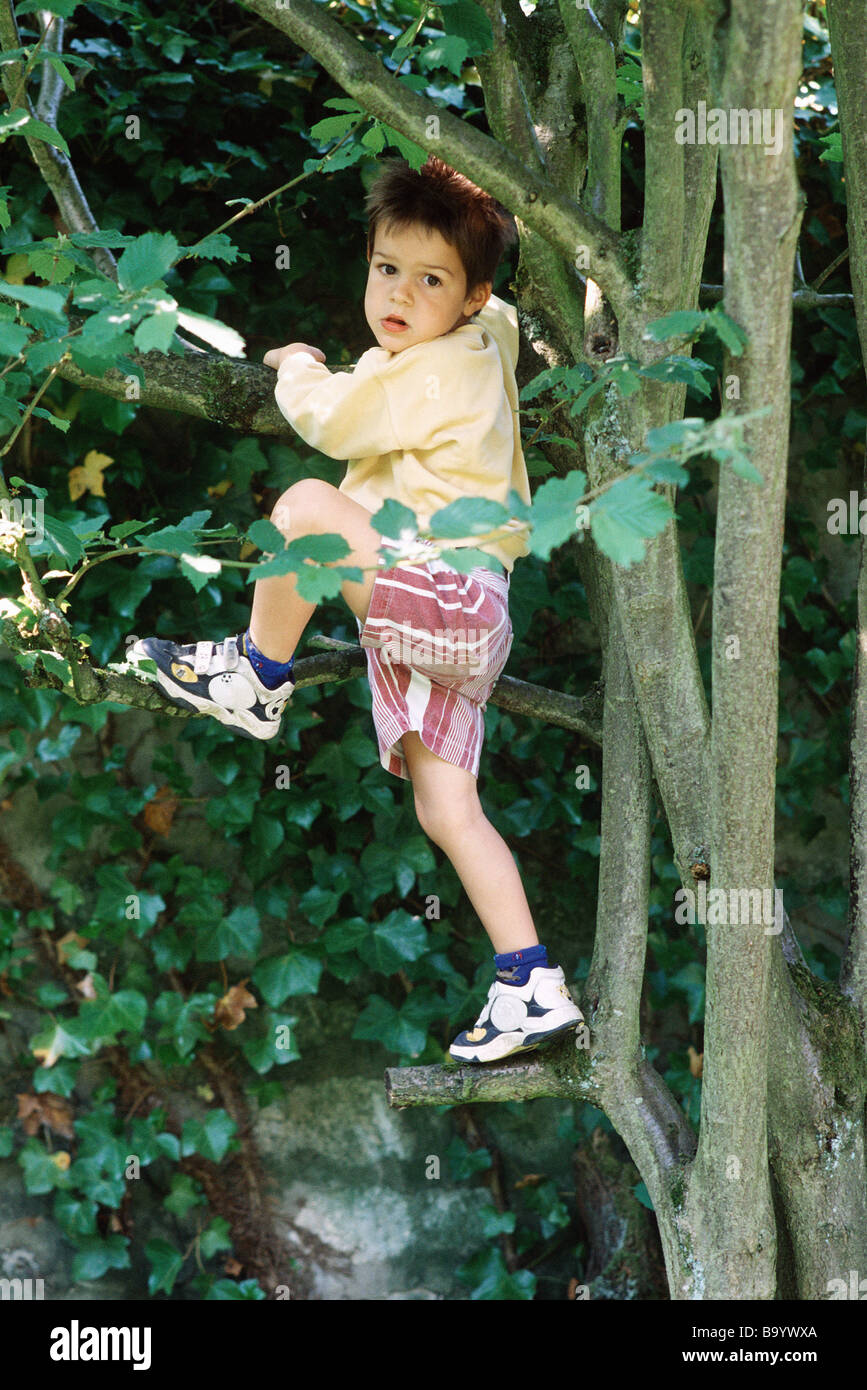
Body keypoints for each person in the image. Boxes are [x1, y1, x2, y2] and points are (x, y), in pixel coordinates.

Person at [130, 155, 583, 1063]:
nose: (400, 296)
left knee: (302, 508)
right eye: (387, 269)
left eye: (430, 280)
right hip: (459, 614)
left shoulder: (427, 369)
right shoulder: (483, 336)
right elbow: (473, 316)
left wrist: (298, 365)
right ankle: (529, 982)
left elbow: (332, 423)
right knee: (449, 811)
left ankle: (254, 677)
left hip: (439, 596)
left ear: (470, 296)